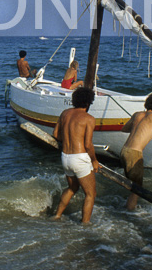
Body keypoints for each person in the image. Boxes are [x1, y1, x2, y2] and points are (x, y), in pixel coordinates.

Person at [52, 87, 100, 224]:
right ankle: (85, 224)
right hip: (80, 158)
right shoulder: (89, 118)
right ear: (88, 102)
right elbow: (88, 144)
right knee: (91, 194)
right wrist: (94, 161)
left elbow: (55, 134)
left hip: (65, 157)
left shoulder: (65, 113)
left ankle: (57, 216)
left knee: (72, 188)